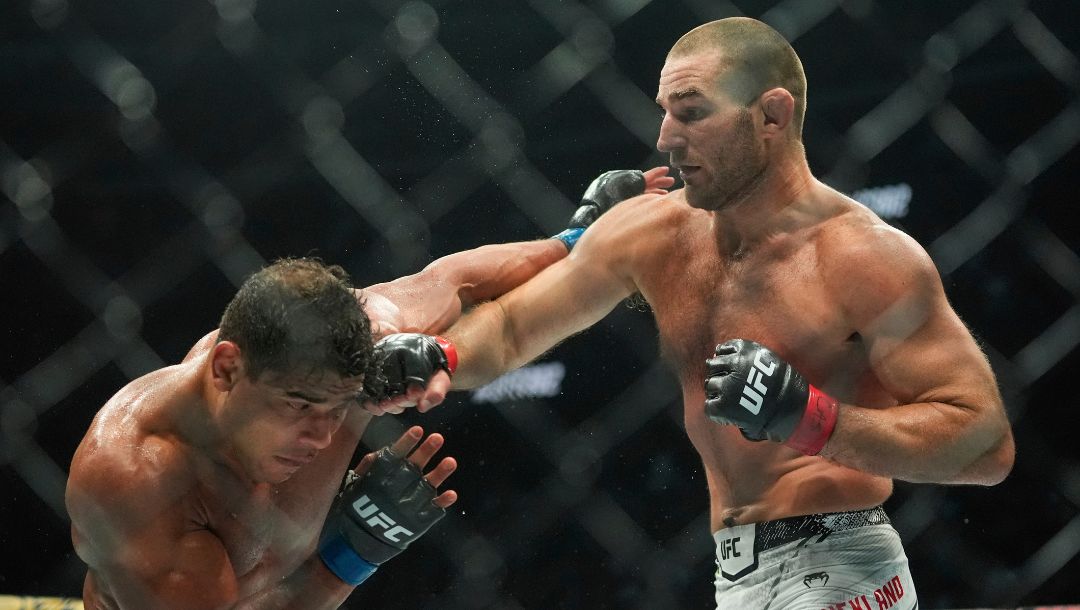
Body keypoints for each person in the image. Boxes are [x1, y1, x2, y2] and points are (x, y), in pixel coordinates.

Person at [367, 18, 1015, 610]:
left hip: (844, 565)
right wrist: (442, 354)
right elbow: (510, 328)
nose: (665, 138)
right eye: (665, 114)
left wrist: (811, 418)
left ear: (772, 115)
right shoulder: (651, 233)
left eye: (693, 113)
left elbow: (985, 443)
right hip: (734, 574)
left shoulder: (862, 257)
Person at [64, 168, 672, 610]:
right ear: (225, 369)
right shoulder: (141, 490)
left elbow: (454, 281)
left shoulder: (355, 339)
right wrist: (354, 551)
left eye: (338, 407)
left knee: (438, 352)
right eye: (299, 407)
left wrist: (574, 242)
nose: (321, 436)